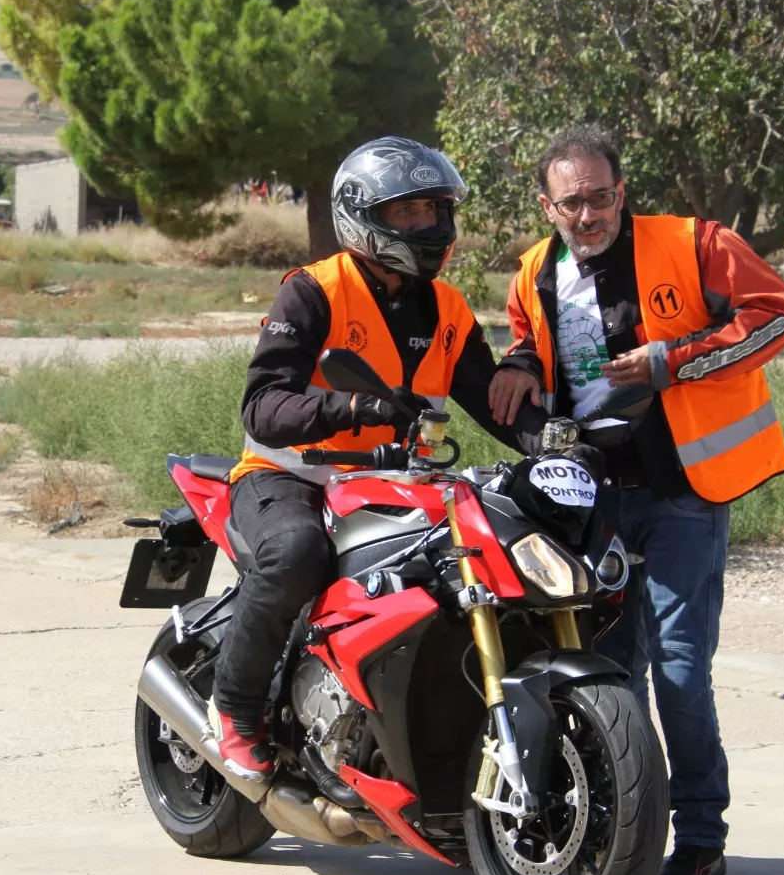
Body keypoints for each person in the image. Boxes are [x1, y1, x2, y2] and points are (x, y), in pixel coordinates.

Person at [488, 122, 784, 875]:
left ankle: (699, 837)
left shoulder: (696, 244)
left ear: (621, 193)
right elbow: (531, 337)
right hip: (589, 504)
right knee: (604, 673)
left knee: (681, 671)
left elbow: (775, 315)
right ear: (547, 206)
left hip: (684, 494)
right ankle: (610, 833)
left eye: (600, 198)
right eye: (571, 203)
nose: (587, 215)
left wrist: (673, 361)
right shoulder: (535, 271)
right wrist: (522, 364)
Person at [211, 136, 542, 779]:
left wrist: (558, 442)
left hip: (394, 484)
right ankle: (237, 711)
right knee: (297, 553)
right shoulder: (315, 291)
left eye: (434, 210)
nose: (427, 226)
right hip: (291, 476)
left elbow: (493, 401)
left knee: (473, 566)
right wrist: (352, 411)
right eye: (406, 213)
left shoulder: (446, 306)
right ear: (362, 216)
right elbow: (262, 406)